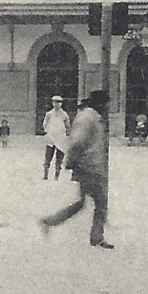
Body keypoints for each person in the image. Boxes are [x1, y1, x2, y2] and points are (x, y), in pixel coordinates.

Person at [40, 89, 113, 249]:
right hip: (88, 166)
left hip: (91, 165)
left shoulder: (92, 117)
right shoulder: (88, 118)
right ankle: (96, 237)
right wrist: (73, 160)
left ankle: (51, 221)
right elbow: (78, 142)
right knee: (100, 202)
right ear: (100, 103)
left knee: (84, 203)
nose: (108, 107)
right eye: (106, 104)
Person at [42, 94, 71, 180]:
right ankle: (45, 174)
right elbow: (45, 124)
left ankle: (56, 175)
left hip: (61, 139)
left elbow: (67, 126)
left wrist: (66, 135)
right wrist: (48, 132)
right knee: (48, 157)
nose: (56, 104)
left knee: (59, 158)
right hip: (51, 138)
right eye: (54, 102)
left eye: (58, 102)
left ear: (61, 103)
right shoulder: (49, 114)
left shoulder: (64, 115)